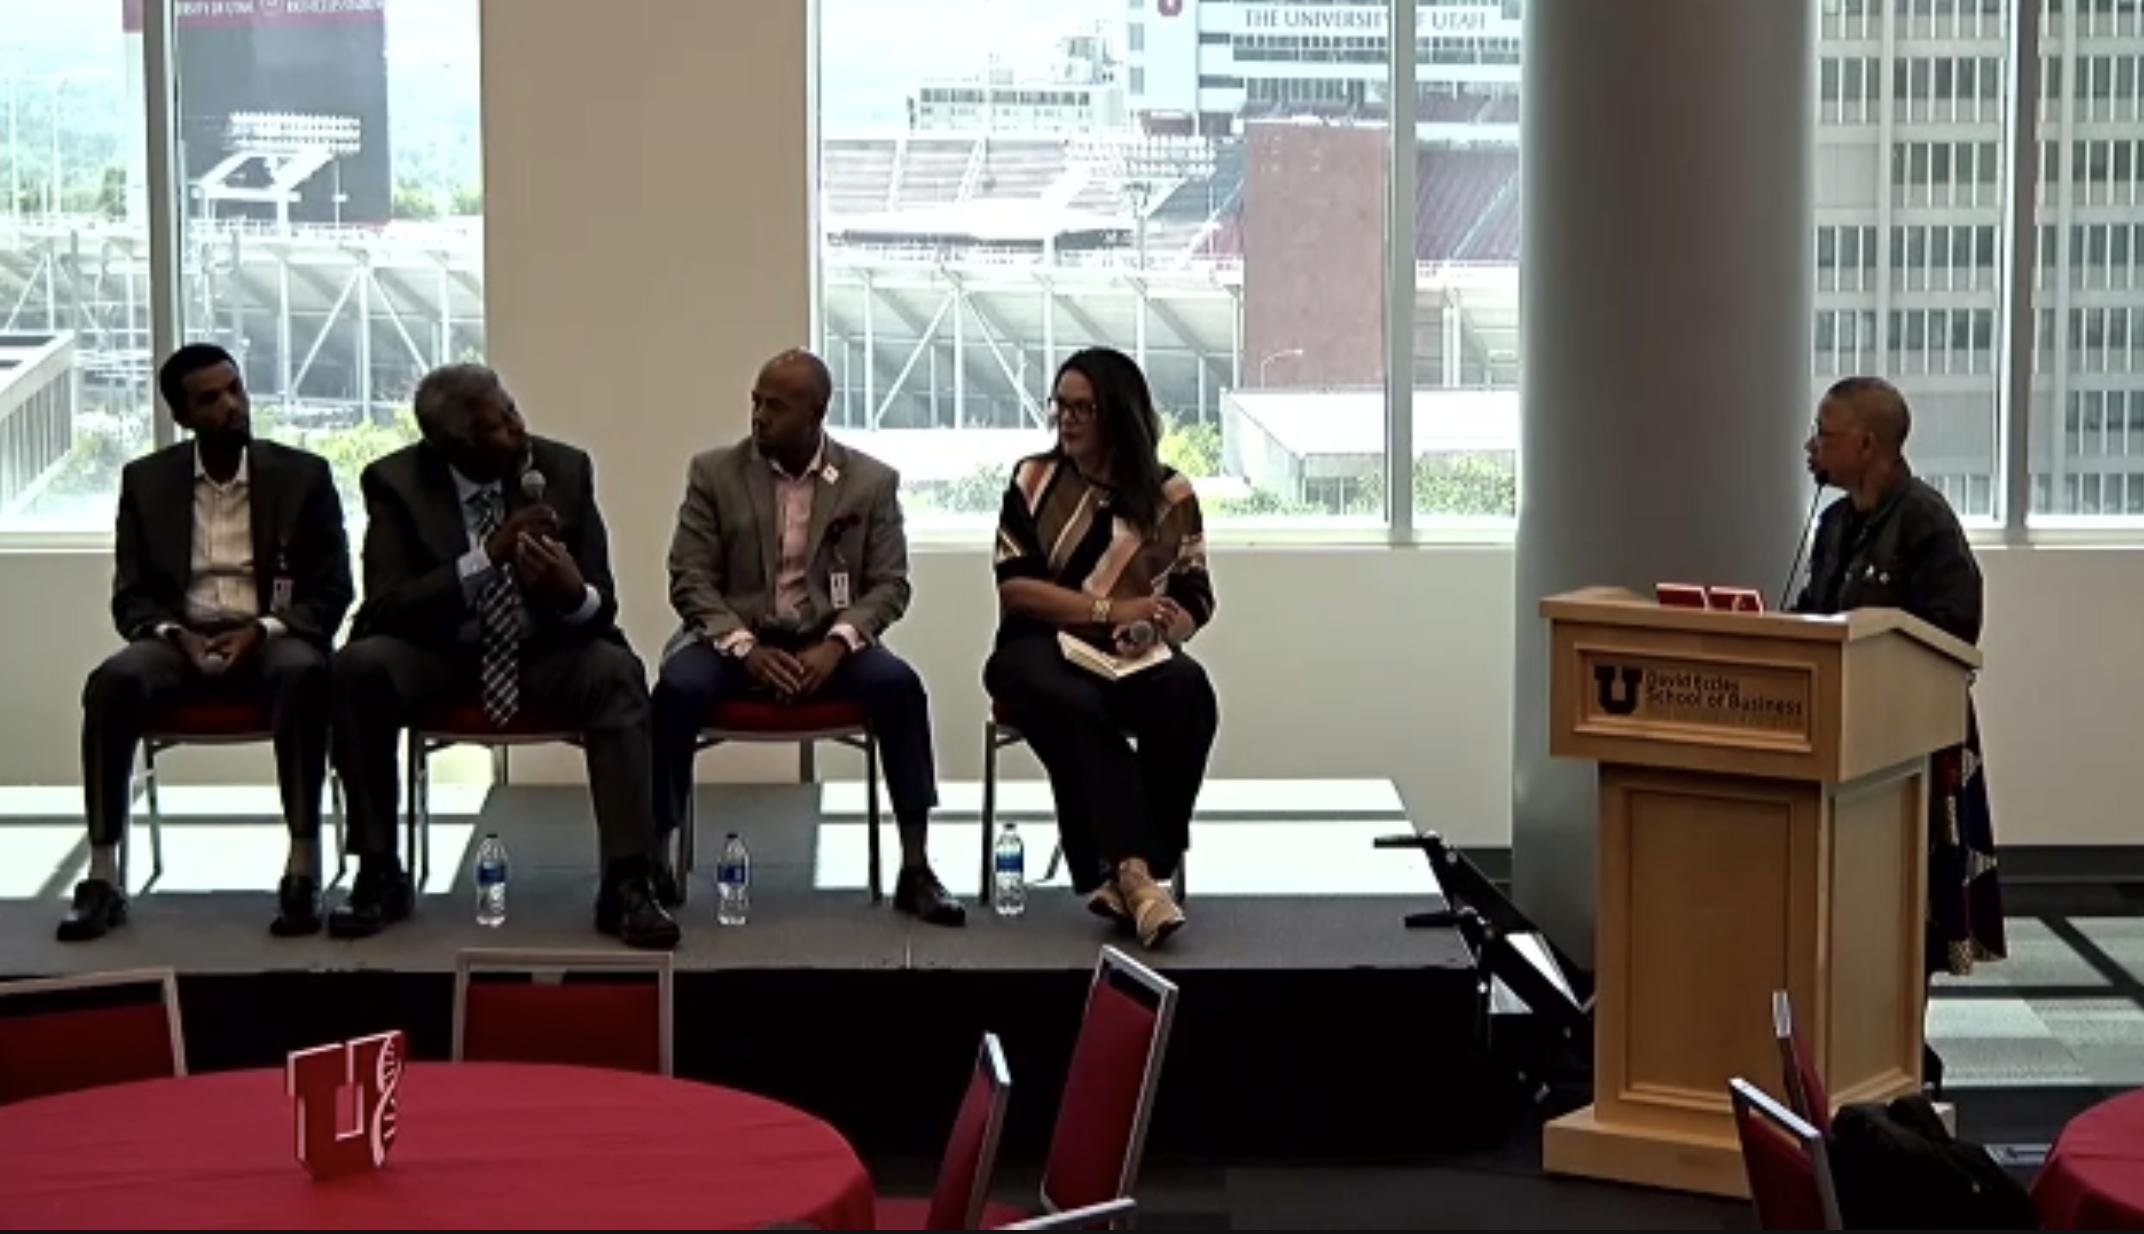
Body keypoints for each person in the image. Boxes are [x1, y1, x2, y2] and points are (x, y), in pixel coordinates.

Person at [328, 363, 679, 949]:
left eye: (514, 410)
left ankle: (627, 881)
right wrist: (485, 557)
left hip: (543, 652)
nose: (520, 430)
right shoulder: (395, 483)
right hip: (442, 658)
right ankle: (379, 873)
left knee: (617, 673)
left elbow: (602, 606)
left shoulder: (562, 469)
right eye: (501, 425)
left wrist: (572, 592)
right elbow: (385, 608)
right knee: (359, 668)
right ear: (456, 445)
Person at [654, 349, 964, 926]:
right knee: (675, 690)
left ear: (816, 412)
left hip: (829, 640)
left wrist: (837, 644)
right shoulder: (713, 473)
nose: (758, 416)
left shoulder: (869, 482)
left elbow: (890, 585)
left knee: (899, 688)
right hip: (735, 637)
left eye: (775, 405)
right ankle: (656, 859)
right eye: (755, 401)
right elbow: (689, 579)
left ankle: (916, 866)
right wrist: (744, 647)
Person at [61, 343, 353, 942]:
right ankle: (102, 875)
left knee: (304, 673)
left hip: (273, 634)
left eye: (236, 390)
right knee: (112, 683)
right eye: (211, 399)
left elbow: (332, 591)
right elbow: (132, 596)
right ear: (183, 415)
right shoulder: (146, 483)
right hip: (179, 639)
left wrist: (264, 629)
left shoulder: (302, 476)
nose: (232, 407)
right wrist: (177, 635)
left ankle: (303, 865)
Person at [984, 347, 1217, 949]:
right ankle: (1137, 875)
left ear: (1119, 413)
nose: (1067, 419)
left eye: (1082, 408)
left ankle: (1129, 872)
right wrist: (1111, 610)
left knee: (1189, 691)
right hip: (1037, 647)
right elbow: (1016, 589)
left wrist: (1158, 627)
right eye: (1060, 406)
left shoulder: (1171, 494)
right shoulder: (1033, 480)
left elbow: (1195, 596)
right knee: (1074, 704)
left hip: (1128, 653)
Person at [1795, 375, 2005, 991]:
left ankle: (1902, 1047)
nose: (1811, 447)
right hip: (1843, 738)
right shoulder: (1835, 524)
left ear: (1865, 444)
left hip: (1914, 747)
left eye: (1823, 435)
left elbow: (1955, 629)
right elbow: (1815, 612)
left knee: (1915, 910)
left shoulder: (1926, 520)